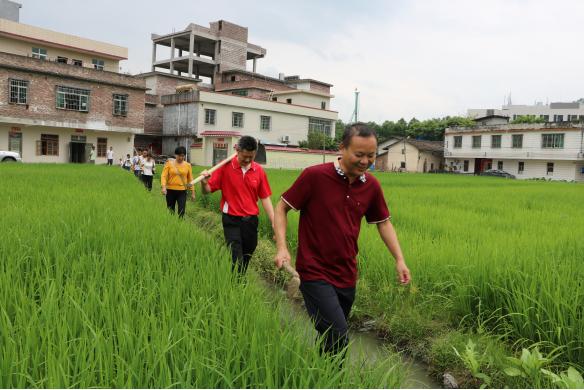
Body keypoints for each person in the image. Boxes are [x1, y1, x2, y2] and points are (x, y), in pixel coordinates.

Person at [273, 122, 411, 357]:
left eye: (371, 155)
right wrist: (282, 248)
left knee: (331, 339)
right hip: (314, 271)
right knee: (338, 335)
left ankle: (321, 376)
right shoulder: (315, 176)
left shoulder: (371, 186)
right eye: (359, 154)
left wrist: (399, 259)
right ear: (342, 149)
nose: (365, 161)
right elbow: (281, 207)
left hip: (347, 274)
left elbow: (384, 222)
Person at [200, 136, 274, 274]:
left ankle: (240, 278)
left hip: (251, 220)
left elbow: (265, 198)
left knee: (248, 252)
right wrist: (204, 183)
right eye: (244, 156)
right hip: (231, 219)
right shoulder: (225, 167)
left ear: (255, 154)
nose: (247, 160)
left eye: (250, 157)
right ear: (237, 151)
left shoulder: (259, 171)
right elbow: (207, 191)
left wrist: (274, 221)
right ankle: (237, 284)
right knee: (236, 255)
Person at [161, 146, 194, 217]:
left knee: (181, 211)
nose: (181, 158)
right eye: (179, 155)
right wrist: (163, 187)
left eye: (183, 156)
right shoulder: (169, 163)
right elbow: (164, 176)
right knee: (170, 211)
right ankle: (171, 225)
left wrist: (192, 192)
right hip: (170, 190)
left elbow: (190, 179)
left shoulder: (188, 165)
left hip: (182, 191)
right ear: (176, 155)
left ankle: (180, 225)